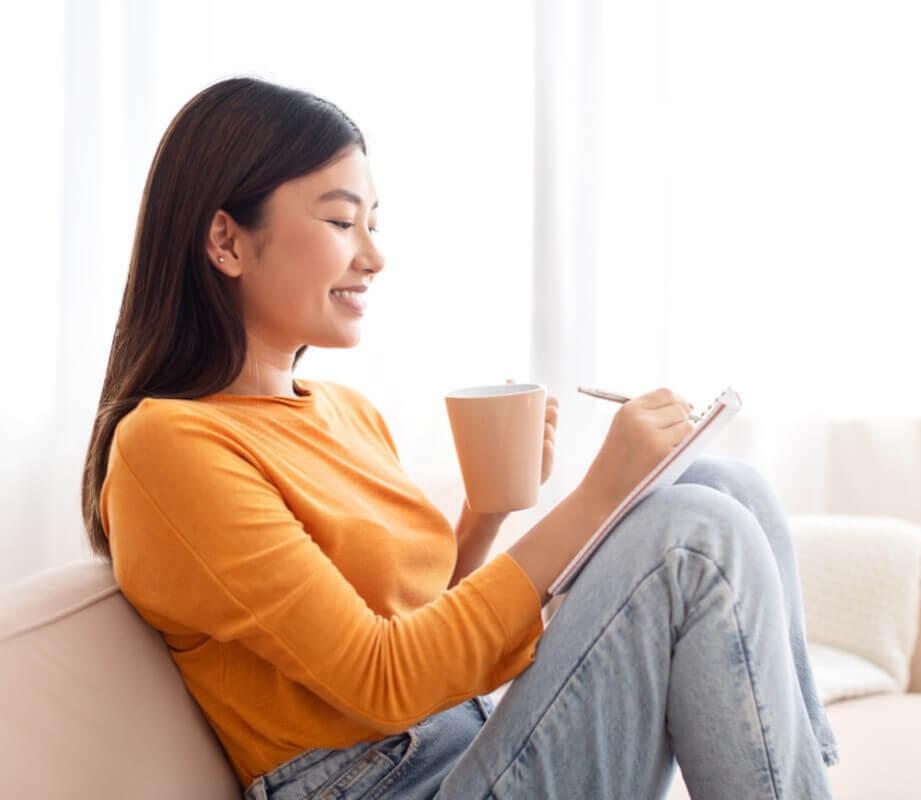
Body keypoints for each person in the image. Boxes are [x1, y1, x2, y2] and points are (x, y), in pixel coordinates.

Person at [80, 76, 837, 800]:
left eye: (374, 223)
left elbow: (414, 625)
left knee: (726, 488)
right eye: (342, 222)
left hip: (468, 742)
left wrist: (485, 512)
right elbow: (382, 680)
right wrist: (600, 491)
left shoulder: (345, 409)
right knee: (692, 535)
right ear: (227, 240)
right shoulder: (170, 446)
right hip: (394, 784)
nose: (373, 257)